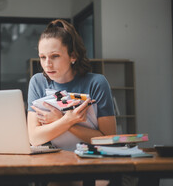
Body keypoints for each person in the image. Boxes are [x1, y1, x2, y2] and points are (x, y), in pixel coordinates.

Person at [27, 19, 117, 152]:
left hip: (92, 161)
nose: (47, 64)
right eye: (42, 57)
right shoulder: (37, 82)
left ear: (73, 56)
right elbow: (34, 138)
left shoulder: (97, 83)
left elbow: (108, 140)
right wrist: (68, 121)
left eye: (55, 56)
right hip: (53, 160)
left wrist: (62, 121)